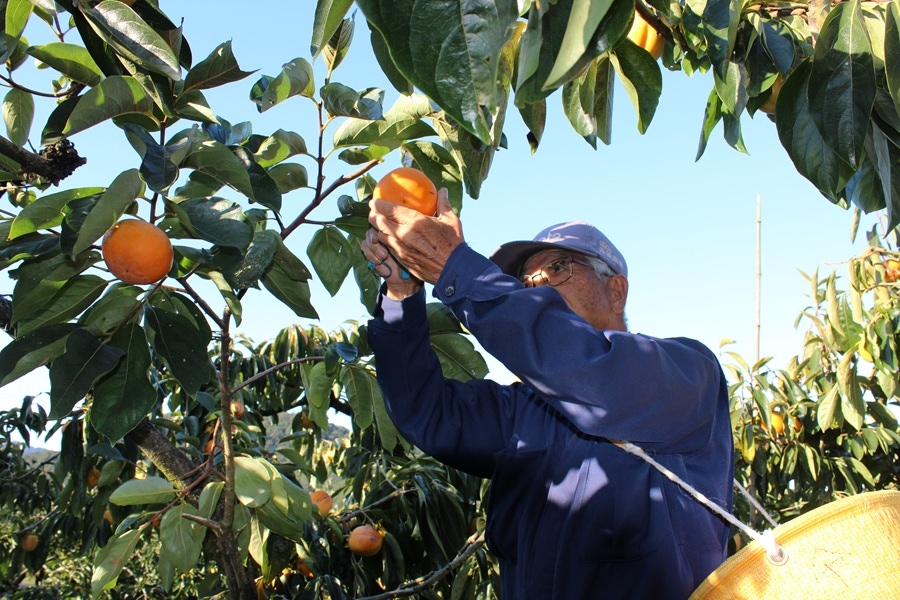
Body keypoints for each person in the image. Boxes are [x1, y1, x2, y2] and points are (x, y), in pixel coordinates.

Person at [362, 189, 734, 600]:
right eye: (526, 282)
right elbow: (425, 412)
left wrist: (457, 270)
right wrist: (402, 294)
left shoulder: (686, 373)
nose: (537, 289)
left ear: (616, 291)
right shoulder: (523, 409)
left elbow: (593, 374)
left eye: (557, 268)